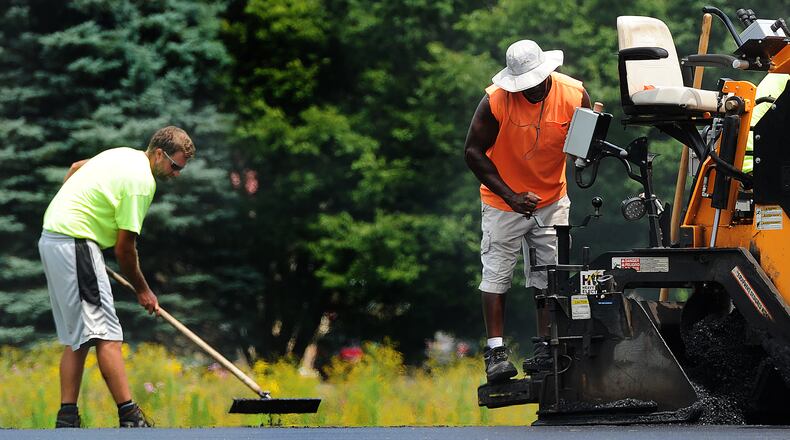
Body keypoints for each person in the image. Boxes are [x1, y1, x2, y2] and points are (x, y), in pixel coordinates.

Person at [38, 126, 195, 428]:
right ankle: (130, 417)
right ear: (159, 154)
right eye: (175, 166)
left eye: (181, 169)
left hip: (53, 237)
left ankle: (67, 418)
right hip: (74, 242)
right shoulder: (141, 183)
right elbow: (125, 249)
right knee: (108, 334)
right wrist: (144, 291)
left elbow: (75, 168)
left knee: (78, 338)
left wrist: (66, 212)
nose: (176, 174)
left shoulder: (124, 155)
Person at [463, 40, 591, 383]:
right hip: (502, 201)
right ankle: (496, 353)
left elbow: (582, 148)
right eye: (524, 85)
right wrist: (510, 195)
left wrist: (586, 150)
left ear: (547, 73)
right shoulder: (495, 101)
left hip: (552, 199)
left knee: (550, 276)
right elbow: (473, 152)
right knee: (496, 274)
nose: (530, 90)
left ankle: (546, 349)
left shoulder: (575, 94)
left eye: (535, 83)